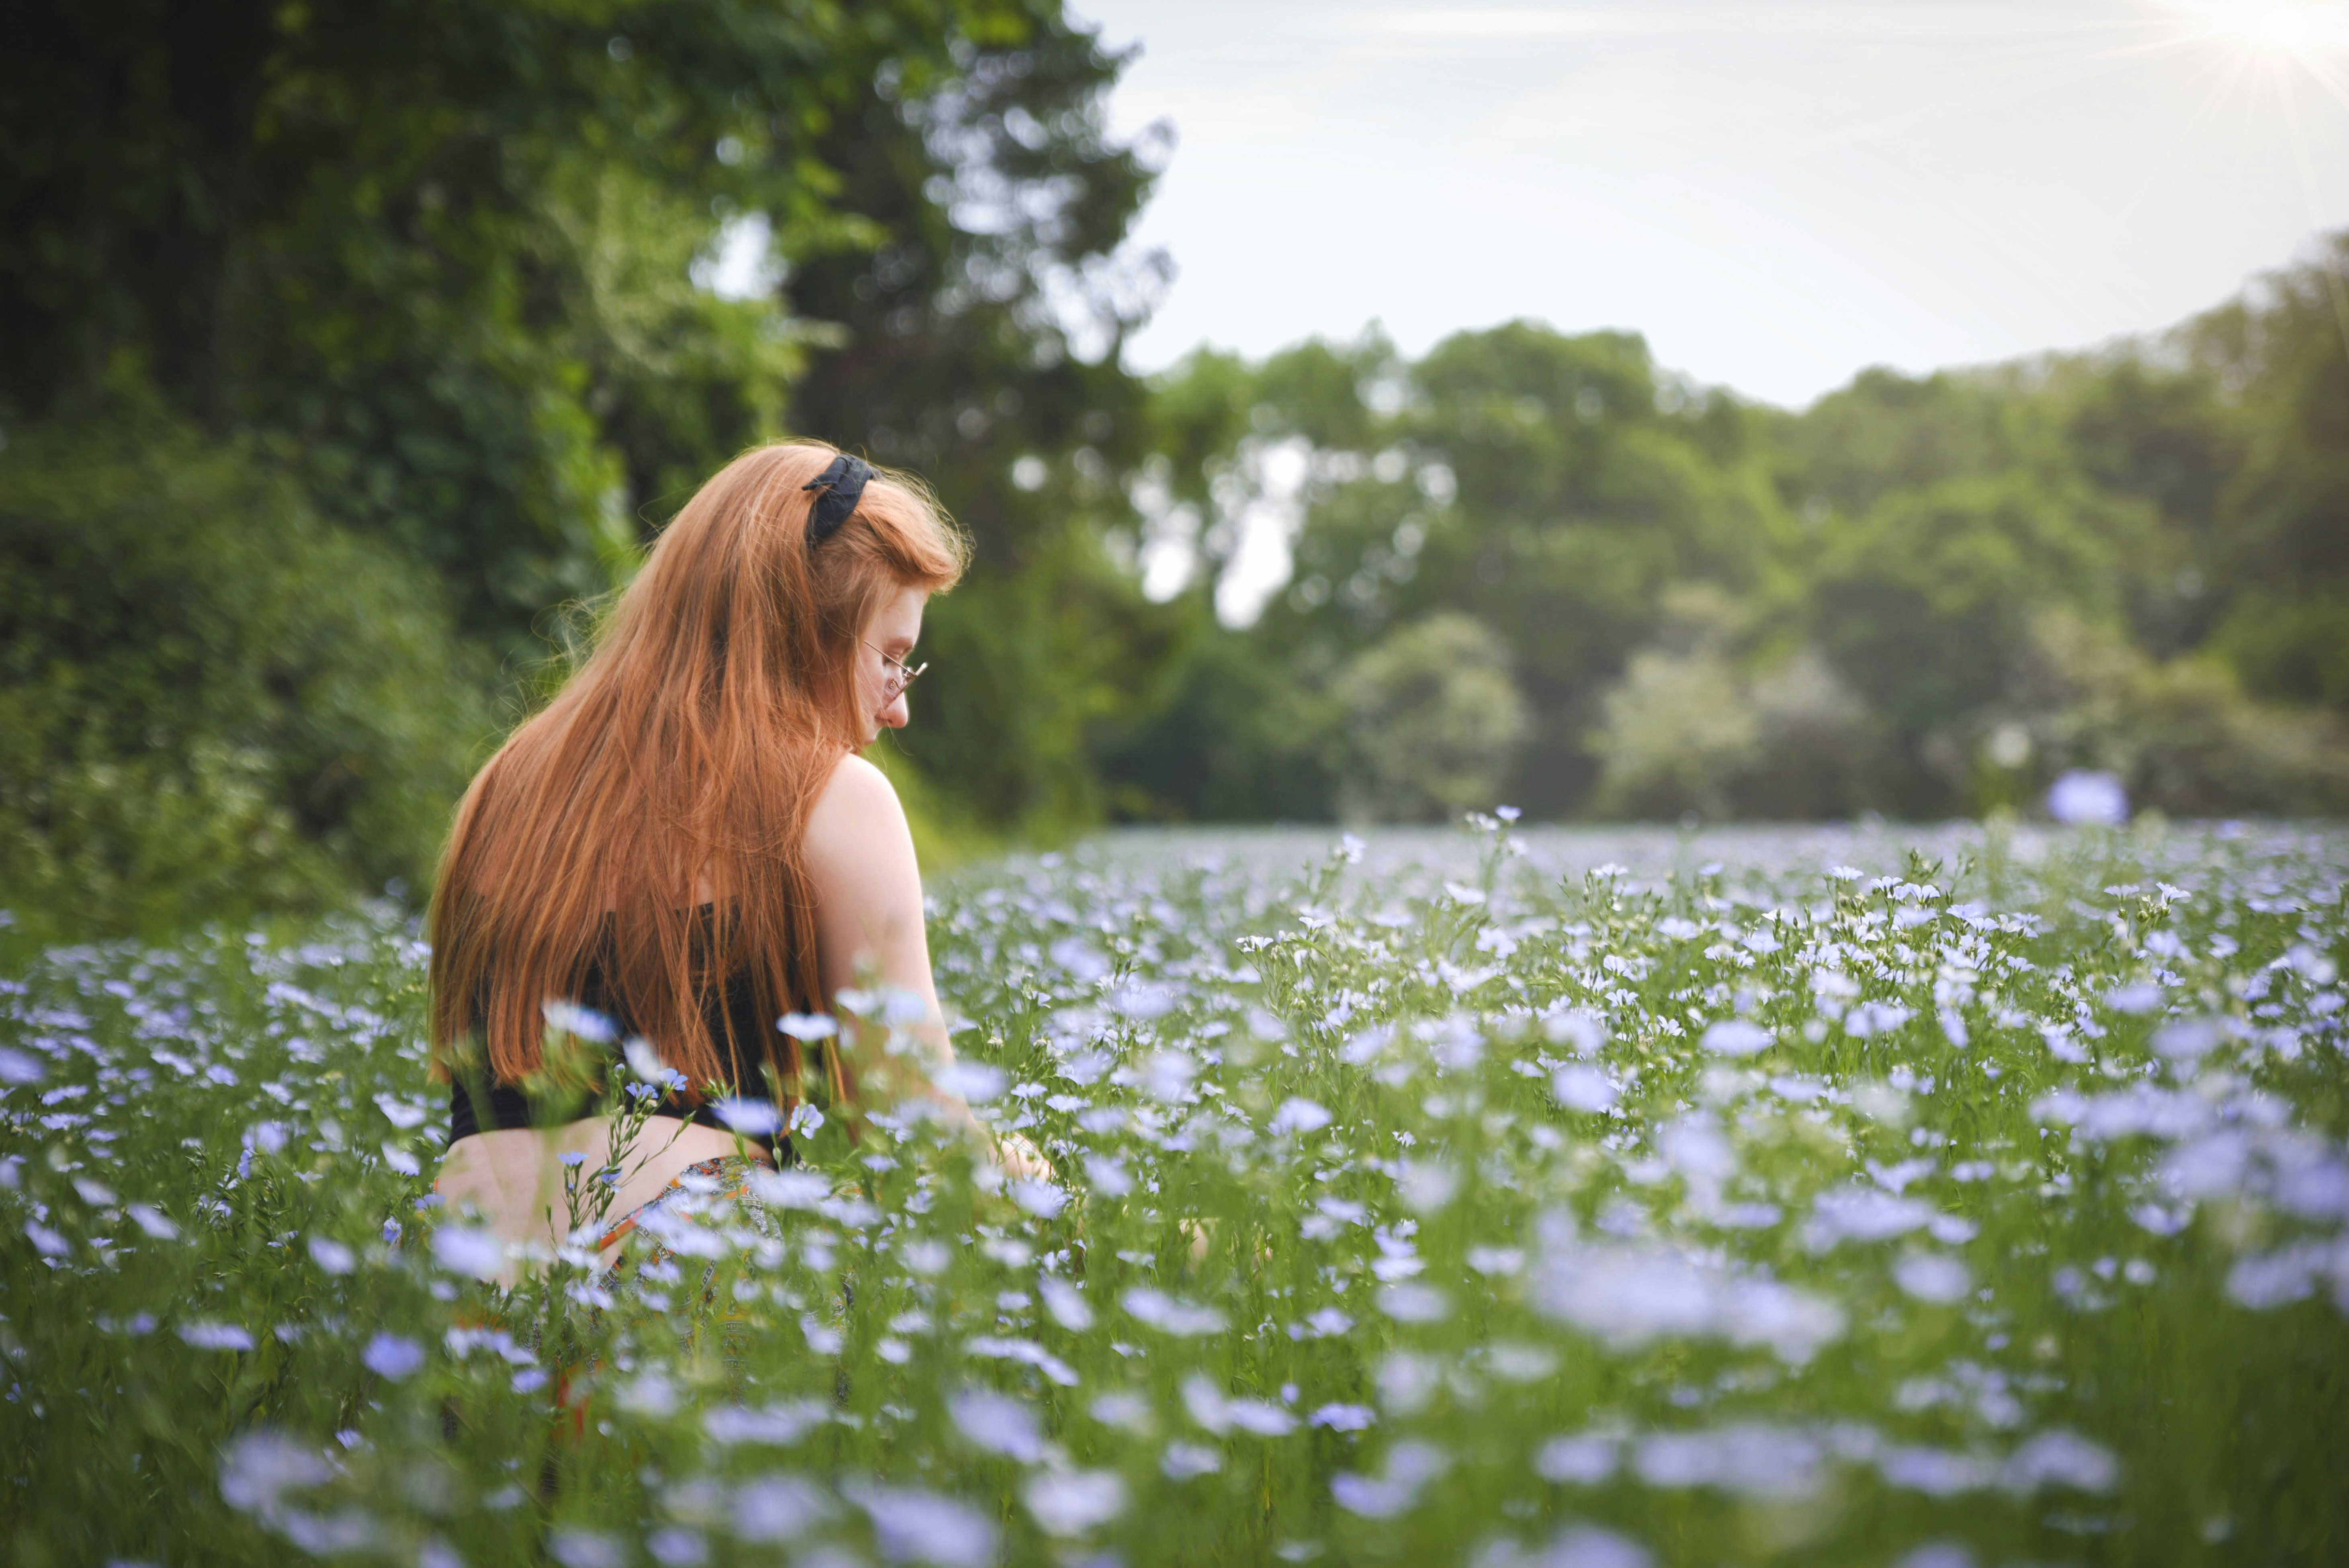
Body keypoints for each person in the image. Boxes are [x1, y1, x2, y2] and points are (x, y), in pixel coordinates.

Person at [428, 441, 1042, 1286]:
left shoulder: (509, 783)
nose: (897, 707)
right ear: (800, 637)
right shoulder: (831, 797)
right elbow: (910, 1133)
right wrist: (1048, 1193)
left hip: (448, 1306)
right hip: (666, 1295)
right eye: (890, 658)